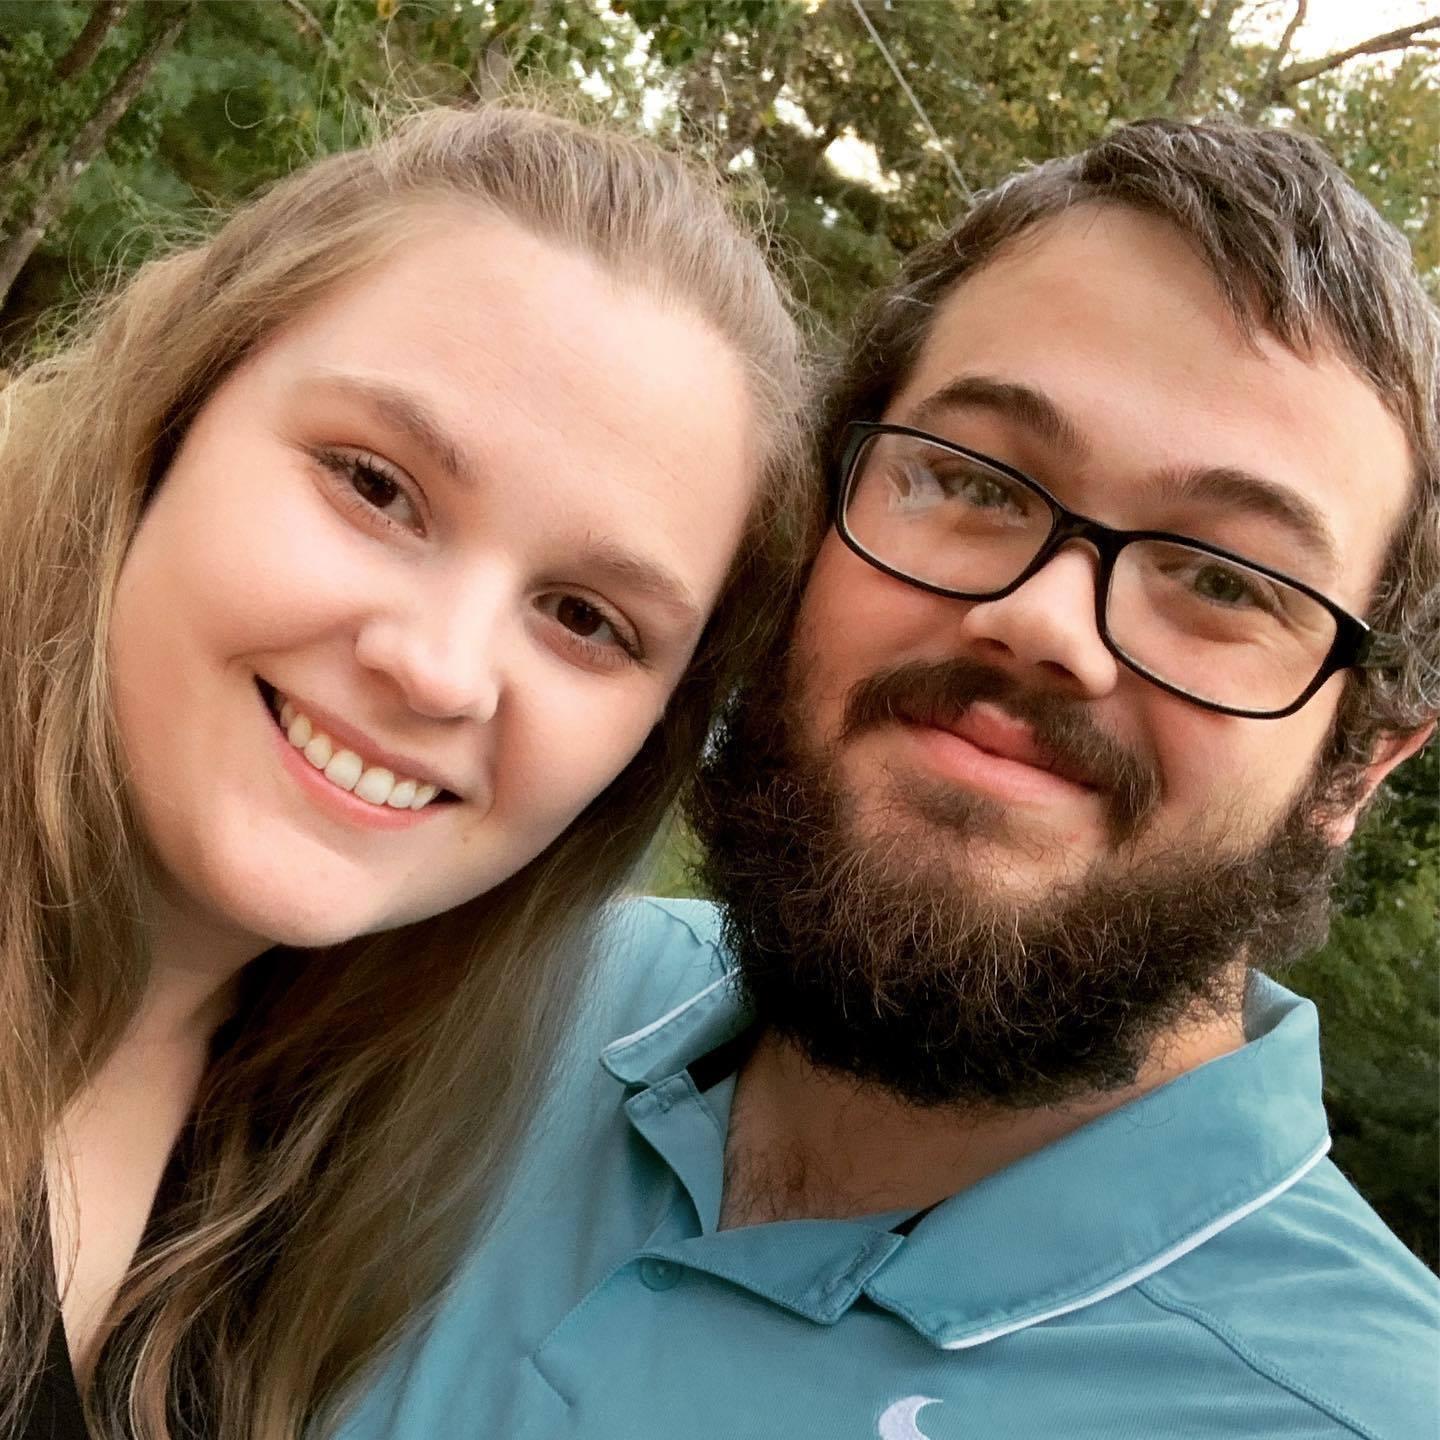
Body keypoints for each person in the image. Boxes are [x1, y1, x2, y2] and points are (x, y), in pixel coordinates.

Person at [337, 119, 1440, 1439]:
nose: (1043, 622)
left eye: (1224, 580)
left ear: (1355, 768)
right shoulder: (472, 988)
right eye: (971, 479)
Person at [0, 102, 815, 1439]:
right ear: (168, 424)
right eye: (375, 487)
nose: (440, 670)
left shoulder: (345, 1159)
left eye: (584, 618)